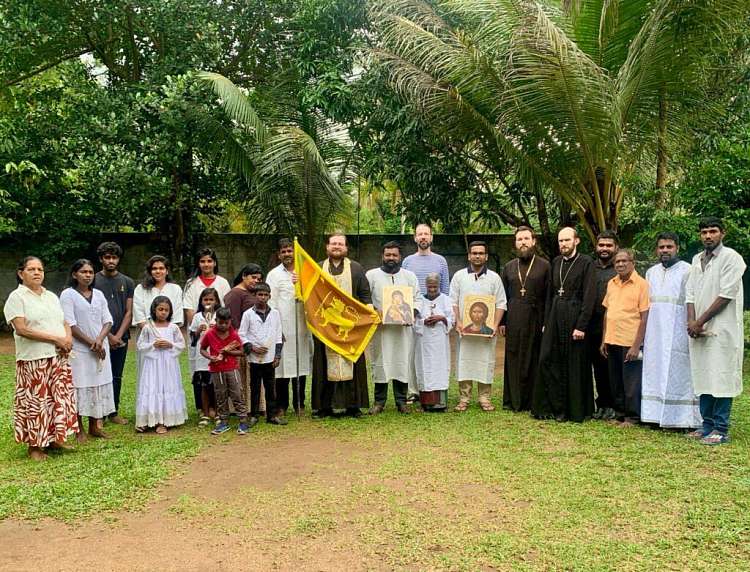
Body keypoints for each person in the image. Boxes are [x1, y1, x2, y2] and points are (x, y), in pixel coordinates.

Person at [4, 256, 76, 460]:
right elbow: (22, 329)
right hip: (34, 359)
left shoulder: (51, 296)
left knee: (55, 399)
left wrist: (67, 339)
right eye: (31, 269)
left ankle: (54, 439)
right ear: (21, 273)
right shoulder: (17, 298)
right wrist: (56, 339)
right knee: (36, 402)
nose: (37, 273)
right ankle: (35, 446)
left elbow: (64, 322)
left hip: (57, 356)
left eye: (40, 269)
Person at [685, 217, 746, 445]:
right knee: (703, 374)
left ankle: (720, 428)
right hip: (698, 329)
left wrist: (700, 321)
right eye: (704, 232)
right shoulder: (696, 259)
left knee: (721, 375)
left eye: (712, 231)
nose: (708, 236)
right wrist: (692, 322)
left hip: (722, 329)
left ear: (723, 233)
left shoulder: (732, 258)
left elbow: (726, 295)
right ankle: (706, 425)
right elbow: (690, 294)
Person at [532, 227, 596, 422]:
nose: (563, 244)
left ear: (576, 241)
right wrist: (546, 322)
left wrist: (581, 325)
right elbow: (551, 294)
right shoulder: (556, 262)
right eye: (561, 241)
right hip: (555, 316)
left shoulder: (586, 263)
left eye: (567, 240)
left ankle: (574, 410)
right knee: (547, 359)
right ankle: (550, 407)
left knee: (574, 363)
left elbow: (589, 296)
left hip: (575, 315)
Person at [641, 232, 700, 429]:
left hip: (678, 330)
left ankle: (682, 419)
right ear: (656, 250)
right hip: (655, 331)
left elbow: (694, 301)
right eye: (661, 247)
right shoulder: (651, 272)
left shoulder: (688, 271)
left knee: (679, 372)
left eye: (669, 247)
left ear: (677, 248)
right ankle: (654, 416)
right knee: (654, 369)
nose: (665, 250)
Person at [311, 233, 372, 418]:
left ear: (346, 248)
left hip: (350, 327)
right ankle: (324, 407)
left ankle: (353, 406)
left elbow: (365, 295)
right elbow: (310, 294)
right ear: (327, 247)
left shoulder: (356, 268)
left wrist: (368, 316)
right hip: (326, 327)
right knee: (323, 364)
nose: (337, 247)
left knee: (353, 363)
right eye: (333, 243)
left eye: (340, 244)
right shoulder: (318, 268)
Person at [60, 259, 116, 443]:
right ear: (75, 274)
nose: (88, 275)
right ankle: (79, 430)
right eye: (83, 272)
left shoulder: (99, 294)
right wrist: (92, 343)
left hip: (100, 349)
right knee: (80, 386)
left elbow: (108, 320)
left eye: (90, 272)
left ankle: (94, 427)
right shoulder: (68, 295)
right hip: (80, 351)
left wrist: (100, 340)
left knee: (97, 386)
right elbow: (70, 323)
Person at [450, 240, 507, 412]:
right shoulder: (459, 276)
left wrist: (494, 325)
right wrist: (459, 322)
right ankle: (464, 398)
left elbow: (501, 303)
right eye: (474, 253)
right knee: (464, 361)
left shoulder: (494, 278)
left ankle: (484, 397)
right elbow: (453, 301)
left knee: (486, 361)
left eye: (481, 253)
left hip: (487, 333)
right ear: (469, 256)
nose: (477, 256)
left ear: (486, 256)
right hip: (465, 332)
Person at [500, 226, 550, 412]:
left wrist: (546, 322)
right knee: (513, 358)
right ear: (515, 243)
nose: (523, 243)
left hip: (535, 319)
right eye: (520, 239)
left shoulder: (545, 266)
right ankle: (512, 400)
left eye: (526, 239)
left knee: (533, 358)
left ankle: (530, 401)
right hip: (513, 318)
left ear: (533, 241)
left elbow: (548, 296)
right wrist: (503, 321)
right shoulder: (508, 267)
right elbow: (503, 297)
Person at [366, 241, 419, 414]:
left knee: (401, 362)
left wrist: (411, 313)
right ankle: (379, 402)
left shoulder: (409, 276)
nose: (391, 258)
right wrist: (375, 312)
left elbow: (417, 300)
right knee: (380, 363)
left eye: (394, 255)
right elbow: (365, 300)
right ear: (382, 256)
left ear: (400, 257)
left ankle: (401, 401)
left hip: (403, 331)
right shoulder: (372, 275)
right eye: (388, 255)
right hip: (381, 331)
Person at [600, 249, 650, 427]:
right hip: (612, 339)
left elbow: (645, 317)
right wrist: (604, 339)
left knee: (631, 382)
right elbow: (608, 312)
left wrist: (637, 345)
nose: (620, 264)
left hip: (630, 342)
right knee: (616, 381)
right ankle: (620, 414)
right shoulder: (611, 283)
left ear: (632, 263)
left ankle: (633, 417)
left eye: (624, 261)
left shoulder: (641, 284)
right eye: (617, 262)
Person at [267, 239, 312, 415]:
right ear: (279, 255)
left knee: (301, 367)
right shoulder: (274, 275)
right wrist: (278, 330)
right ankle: (282, 405)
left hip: (302, 328)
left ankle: (299, 404)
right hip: (283, 329)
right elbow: (271, 303)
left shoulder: (306, 272)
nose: (287, 254)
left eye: (290, 251)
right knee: (282, 367)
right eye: (284, 251)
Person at [135, 296, 188, 434]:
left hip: (168, 365)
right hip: (152, 365)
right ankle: (148, 420)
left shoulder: (174, 327)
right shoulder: (148, 328)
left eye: (166, 310)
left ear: (170, 312)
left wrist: (170, 345)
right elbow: (140, 345)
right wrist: (153, 345)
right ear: (154, 310)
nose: (163, 312)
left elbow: (181, 344)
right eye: (160, 309)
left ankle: (164, 421)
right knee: (152, 387)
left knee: (166, 388)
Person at [95, 241, 134, 425]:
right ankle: (99, 414)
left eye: (114, 257)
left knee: (116, 375)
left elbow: (129, 311)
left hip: (121, 337)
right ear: (101, 259)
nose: (111, 261)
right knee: (100, 374)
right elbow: (93, 312)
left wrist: (118, 336)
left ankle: (113, 411)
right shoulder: (93, 280)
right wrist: (108, 336)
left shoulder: (127, 282)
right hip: (100, 337)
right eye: (107, 257)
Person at [239, 282, 286, 425]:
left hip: (270, 357)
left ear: (269, 296)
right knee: (255, 387)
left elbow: (278, 335)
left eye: (265, 295)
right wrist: (252, 347)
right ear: (254, 296)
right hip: (254, 358)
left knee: (270, 387)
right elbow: (241, 334)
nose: (263, 298)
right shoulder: (248, 314)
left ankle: (272, 415)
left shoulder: (275, 314)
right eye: (260, 294)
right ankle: (254, 415)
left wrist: (277, 355)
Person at [200, 307, 254, 435]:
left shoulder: (234, 334)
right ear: (216, 320)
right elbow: (202, 349)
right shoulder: (210, 334)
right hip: (216, 369)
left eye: (226, 323)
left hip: (231, 369)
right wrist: (210, 357)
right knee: (221, 395)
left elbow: (242, 352)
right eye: (220, 323)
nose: (223, 326)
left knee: (237, 394)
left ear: (230, 321)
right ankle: (223, 422)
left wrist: (229, 351)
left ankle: (243, 421)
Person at [132, 255, 183, 379]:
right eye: (154, 268)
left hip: (169, 340)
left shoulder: (175, 289)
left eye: (161, 268)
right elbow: (139, 315)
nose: (158, 271)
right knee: (148, 377)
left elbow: (176, 317)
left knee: (168, 376)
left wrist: (165, 339)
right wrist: (154, 336)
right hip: (148, 340)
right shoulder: (141, 289)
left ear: (167, 270)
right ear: (150, 271)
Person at [588, 231, 619, 420]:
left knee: (612, 366)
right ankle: (602, 403)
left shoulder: (621, 268)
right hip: (592, 325)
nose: (605, 249)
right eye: (602, 245)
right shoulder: (589, 268)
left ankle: (615, 404)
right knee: (597, 367)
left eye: (609, 245)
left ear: (616, 247)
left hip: (615, 325)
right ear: (596, 247)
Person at [224, 263, 263, 412]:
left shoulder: (252, 293)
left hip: (254, 340)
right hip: (241, 341)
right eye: (253, 278)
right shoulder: (235, 293)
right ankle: (240, 407)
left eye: (259, 279)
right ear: (244, 276)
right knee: (242, 376)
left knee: (253, 375)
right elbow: (233, 321)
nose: (256, 281)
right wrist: (240, 341)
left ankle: (257, 406)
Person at [414, 273, 454, 412]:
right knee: (424, 368)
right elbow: (413, 320)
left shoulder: (446, 300)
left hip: (440, 341)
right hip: (423, 340)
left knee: (440, 368)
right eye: (430, 287)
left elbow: (452, 320)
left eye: (435, 287)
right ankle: (426, 403)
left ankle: (441, 403)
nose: (432, 289)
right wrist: (423, 321)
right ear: (426, 285)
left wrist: (442, 318)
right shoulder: (420, 300)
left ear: (439, 285)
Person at [188, 288, 220, 426]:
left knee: (218, 385)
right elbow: (193, 340)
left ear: (216, 301)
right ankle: (205, 413)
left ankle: (218, 413)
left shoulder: (219, 315)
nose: (208, 302)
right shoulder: (197, 317)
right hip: (202, 356)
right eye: (205, 299)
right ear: (201, 301)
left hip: (216, 355)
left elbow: (226, 332)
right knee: (204, 385)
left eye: (211, 299)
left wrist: (217, 328)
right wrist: (197, 331)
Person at [182, 248, 231, 332]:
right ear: (198, 263)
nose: (206, 264)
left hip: (219, 330)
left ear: (215, 263)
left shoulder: (223, 282)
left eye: (209, 261)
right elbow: (188, 308)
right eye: (202, 261)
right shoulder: (190, 283)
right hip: (198, 331)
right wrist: (196, 328)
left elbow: (227, 307)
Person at [402, 223, 450, 295]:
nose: (423, 237)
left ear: (431, 237)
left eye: (426, 234)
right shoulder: (407, 262)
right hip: (414, 305)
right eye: (420, 234)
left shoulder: (441, 261)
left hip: (436, 306)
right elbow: (404, 289)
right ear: (415, 238)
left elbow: (445, 291)